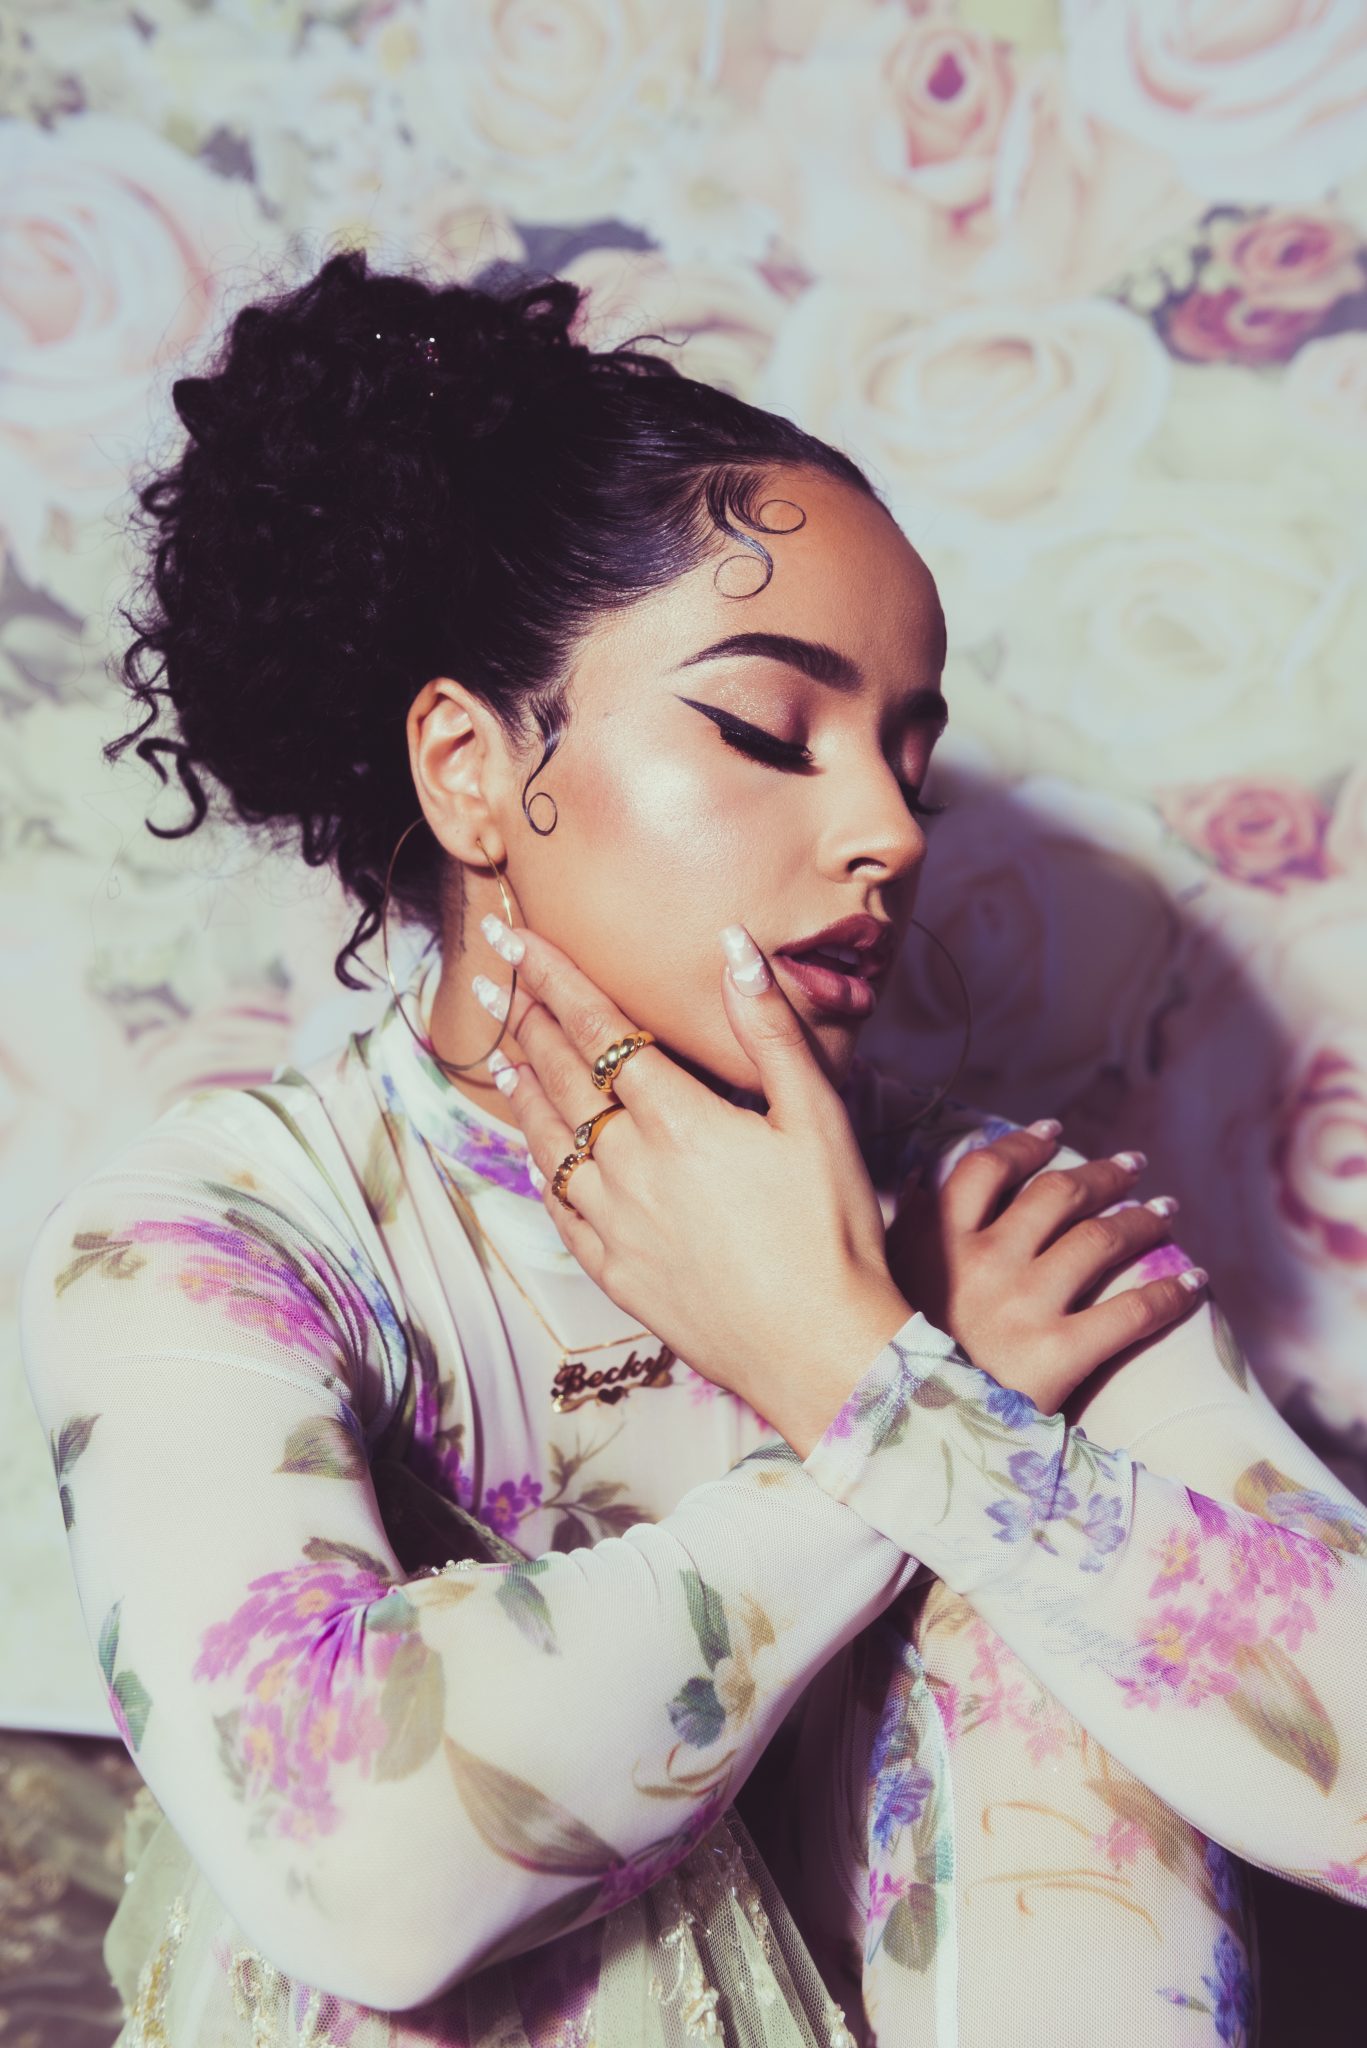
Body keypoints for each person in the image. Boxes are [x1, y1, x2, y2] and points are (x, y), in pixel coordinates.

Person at [19, 246, 1367, 2048]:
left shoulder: (993, 1216)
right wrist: (887, 1416)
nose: (890, 830)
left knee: (1052, 1606)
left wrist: (860, 1370)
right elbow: (364, 1877)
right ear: (469, 765)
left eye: (910, 760)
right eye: (765, 730)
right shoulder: (223, 1231)